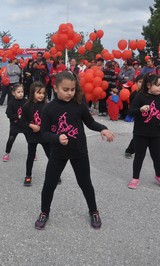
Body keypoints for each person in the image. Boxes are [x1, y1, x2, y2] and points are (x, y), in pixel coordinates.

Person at [35, 71, 114, 230]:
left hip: (79, 151)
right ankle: (44, 212)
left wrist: (103, 129)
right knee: (49, 184)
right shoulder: (49, 109)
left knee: (85, 183)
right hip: (58, 153)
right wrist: (57, 138)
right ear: (55, 88)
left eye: (72, 89)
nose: (69, 93)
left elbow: (90, 123)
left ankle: (94, 211)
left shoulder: (79, 104)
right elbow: (44, 133)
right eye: (65, 89)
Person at [127, 74, 160, 190]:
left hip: (155, 134)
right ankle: (135, 178)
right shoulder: (140, 97)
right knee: (139, 156)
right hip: (140, 134)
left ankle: (159, 176)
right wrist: (140, 109)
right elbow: (131, 112)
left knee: (157, 157)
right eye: (158, 85)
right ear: (149, 85)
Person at [21, 81, 50, 187]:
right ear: (32, 93)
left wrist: (42, 128)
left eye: (43, 93)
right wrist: (31, 125)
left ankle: (55, 174)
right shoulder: (26, 106)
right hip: (32, 135)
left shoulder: (47, 106)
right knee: (31, 155)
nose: (41, 95)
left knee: (50, 155)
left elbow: (50, 121)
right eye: (38, 93)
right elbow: (22, 121)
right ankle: (28, 175)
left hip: (45, 135)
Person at [2, 83, 27, 162]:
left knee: (30, 139)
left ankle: (33, 153)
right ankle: (7, 153)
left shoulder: (26, 101)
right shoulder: (11, 102)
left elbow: (30, 111)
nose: (21, 94)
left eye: (22, 92)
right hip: (15, 124)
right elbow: (9, 114)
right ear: (13, 93)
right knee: (11, 139)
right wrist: (18, 116)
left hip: (25, 124)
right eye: (18, 92)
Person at [124, 74, 144, 159]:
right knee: (138, 136)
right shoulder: (134, 95)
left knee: (155, 136)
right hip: (139, 118)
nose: (141, 84)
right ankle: (129, 151)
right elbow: (132, 110)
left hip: (150, 117)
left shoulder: (149, 93)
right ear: (136, 83)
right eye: (140, 82)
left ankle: (159, 153)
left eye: (143, 82)